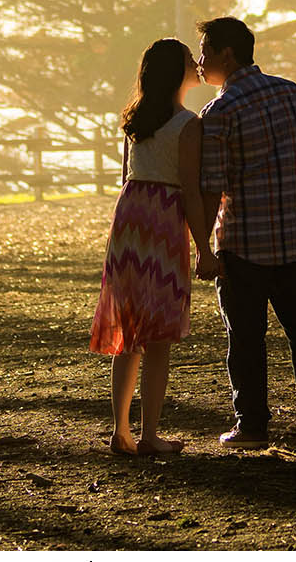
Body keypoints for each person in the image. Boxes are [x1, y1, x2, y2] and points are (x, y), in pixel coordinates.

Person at [197, 15, 296, 450]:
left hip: (245, 244)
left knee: (246, 338)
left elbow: (212, 185)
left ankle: (253, 425)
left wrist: (202, 246)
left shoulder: (220, 111)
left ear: (226, 53)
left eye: (204, 52)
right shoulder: (293, 94)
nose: (199, 63)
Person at [89, 38, 215, 456]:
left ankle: (120, 429)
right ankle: (150, 435)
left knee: (129, 331)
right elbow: (192, 192)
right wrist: (204, 248)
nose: (196, 66)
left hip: (131, 216)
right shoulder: (188, 124)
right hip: (163, 218)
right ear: (175, 72)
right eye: (187, 61)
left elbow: (127, 174)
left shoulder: (135, 120)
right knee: (158, 336)